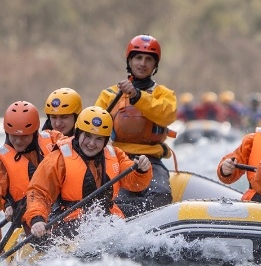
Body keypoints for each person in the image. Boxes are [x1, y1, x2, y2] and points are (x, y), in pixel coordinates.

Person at [25, 106, 152, 239]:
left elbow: (135, 183)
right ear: (78, 133)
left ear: (105, 141)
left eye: (98, 139)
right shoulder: (58, 158)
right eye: (88, 136)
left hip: (107, 217)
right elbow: (39, 192)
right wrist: (37, 218)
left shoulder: (115, 154)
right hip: (70, 220)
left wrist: (142, 170)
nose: (91, 143)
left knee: (142, 208)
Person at [94, 34, 177, 217]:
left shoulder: (164, 94)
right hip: (117, 159)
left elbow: (167, 114)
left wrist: (137, 96)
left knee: (160, 194)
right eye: (138, 57)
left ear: (155, 65)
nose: (142, 63)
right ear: (129, 61)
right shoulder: (109, 94)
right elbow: (93, 128)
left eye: (148, 59)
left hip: (151, 161)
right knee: (116, 200)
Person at [0, 101, 65, 234]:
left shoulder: (53, 140)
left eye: (24, 136)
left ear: (35, 132)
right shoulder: (2, 159)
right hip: (31, 222)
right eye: (14, 136)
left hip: (61, 211)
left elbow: (75, 151)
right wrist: (6, 206)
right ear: (6, 133)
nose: (18, 141)